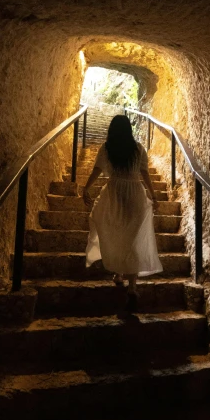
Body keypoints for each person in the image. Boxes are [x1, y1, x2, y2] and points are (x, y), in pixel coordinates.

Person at [82, 114, 163, 311]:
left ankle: (119, 274)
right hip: (135, 193)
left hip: (114, 193)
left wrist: (86, 188)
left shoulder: (107, 148)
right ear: (129, 130)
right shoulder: (138, 149)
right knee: (132, 239)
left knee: (117, 234)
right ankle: (132, 287)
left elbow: (98, 169)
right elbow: (144, 174)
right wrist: (153, 195)